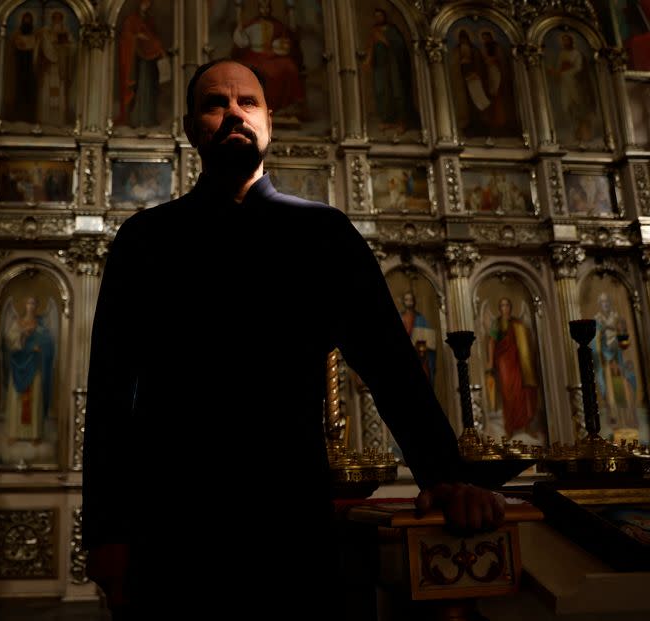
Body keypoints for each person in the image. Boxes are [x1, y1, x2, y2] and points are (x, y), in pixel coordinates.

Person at [83, 59, 506, 620]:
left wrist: (448, 478)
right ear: (191, 128)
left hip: (291, 523)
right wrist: (108, 536)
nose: (234, 112)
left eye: (248, 102)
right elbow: (110, 396)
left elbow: (392, 366)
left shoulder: (322, 233)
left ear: (269, 123)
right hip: (174, 529)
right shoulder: (146, 240)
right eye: (215, 103)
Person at [232, 0, 305, 117]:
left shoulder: (278, 26)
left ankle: (286, 107)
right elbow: (241, 42)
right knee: (247, 70)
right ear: (259, 8)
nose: (265, 10)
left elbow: (287, 41)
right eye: (262, 7)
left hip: (272, 55)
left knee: (289, 66)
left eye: (267, 7)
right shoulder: (250, 25)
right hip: (253, 55)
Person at [1, 296, 56, 443]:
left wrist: (40, 347)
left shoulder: (40, 325)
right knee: (17, 399)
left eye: (33, 303)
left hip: (34, 365)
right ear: (24, 305)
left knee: (35, 397)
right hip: (19, 364)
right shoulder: (17, 323)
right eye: (28, 303)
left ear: (37, 306)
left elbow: (48, 343)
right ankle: (14, 433)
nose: (30, 306)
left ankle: (34, 434)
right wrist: (22, 334)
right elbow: (10, 341)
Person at [485, 297, 539, 439]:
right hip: (504, 364)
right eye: (502, 305)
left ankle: (525, 426)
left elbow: (526, 345)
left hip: (518, 363)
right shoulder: (497, 323)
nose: (505, 308)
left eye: (507, 305)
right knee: (508, 394)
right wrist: (490, 362)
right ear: (499, 308)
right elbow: (492, 342)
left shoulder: (517, 323)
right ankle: (509, 428)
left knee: (522, 393)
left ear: (510, 307)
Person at [591, 292, 637, 430]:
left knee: (626, 385)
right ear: (600, 305)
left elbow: (625, 340)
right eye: (602, 302)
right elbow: (595, 342)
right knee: (608, 387)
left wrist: (619, 342)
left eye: (607, 302)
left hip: (619, 357)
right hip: (605, 359)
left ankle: (629, 418)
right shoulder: (597, 320)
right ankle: (614, 418)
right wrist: (602, 349)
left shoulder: (617, 318)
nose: (605, 304)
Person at [363, 8, 413, 133]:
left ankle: (401, 121)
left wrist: (385, 40)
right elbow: (370, 48)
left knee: (397, 91)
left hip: (394, 66)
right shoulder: (374, 31)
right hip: (380, 67)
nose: (378, 18)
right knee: (381, 92)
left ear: (385, 17)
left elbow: (400, 45)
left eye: (380, 16)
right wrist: (368, 60)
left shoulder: (392, 30)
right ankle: (387, 120)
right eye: (376, 16)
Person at [117, 0, 166, 128]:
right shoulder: (131, 19)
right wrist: (136, 36)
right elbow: (126, 36)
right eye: (145, 2)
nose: (147, 5)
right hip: (137, 61)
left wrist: (156, 47)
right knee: (140, 89)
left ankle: (149, 118)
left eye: (149, 3)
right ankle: (137, 118)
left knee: (149, 88)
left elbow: (154, 37)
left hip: (150, 60)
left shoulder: (149, 19)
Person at [547, 33, 597, 143]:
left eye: (566, 40)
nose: (565, 43)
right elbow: (559, 68)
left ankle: (583, 132)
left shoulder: (577, 54)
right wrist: (556, 73)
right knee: (567, 106)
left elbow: (578, 69)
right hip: (565, 85)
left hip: (575, 84)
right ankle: (574, 131)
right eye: (563, 41)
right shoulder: (562, 54)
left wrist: (562, 73)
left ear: (570, 41)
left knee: (578, 105)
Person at [35, 10, 75, 126]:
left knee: (59, 93)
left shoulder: (66, 32)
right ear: (52, 19)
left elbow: (73, 47)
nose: (57, 20)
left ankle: (58, 120)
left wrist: (65, 46)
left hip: (60, 69)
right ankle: (45, 119)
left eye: (59, 18)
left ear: (61, 19)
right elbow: (41, 47)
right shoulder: (46, 32)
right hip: (48, 68)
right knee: (46, 91)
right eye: (55, 18)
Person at [4, 11, 39, 124]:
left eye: (29, 20)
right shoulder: (17, 34)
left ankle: (29, 116)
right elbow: (14, 46)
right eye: (26, 19)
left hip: (30, 65)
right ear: (22, 21)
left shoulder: (35, 34)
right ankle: (17, 114)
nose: (27, 21)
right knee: (18, 89)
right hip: (19, 64)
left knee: (29, 90)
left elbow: (35, 46)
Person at [399, 291, 436, 387]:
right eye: (406, 299)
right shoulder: (401, 317)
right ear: (403, 301)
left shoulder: (420, 318)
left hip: (419, 354)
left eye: (411, 299)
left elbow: (428, 338)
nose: (409, 302)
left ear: (414, 301)